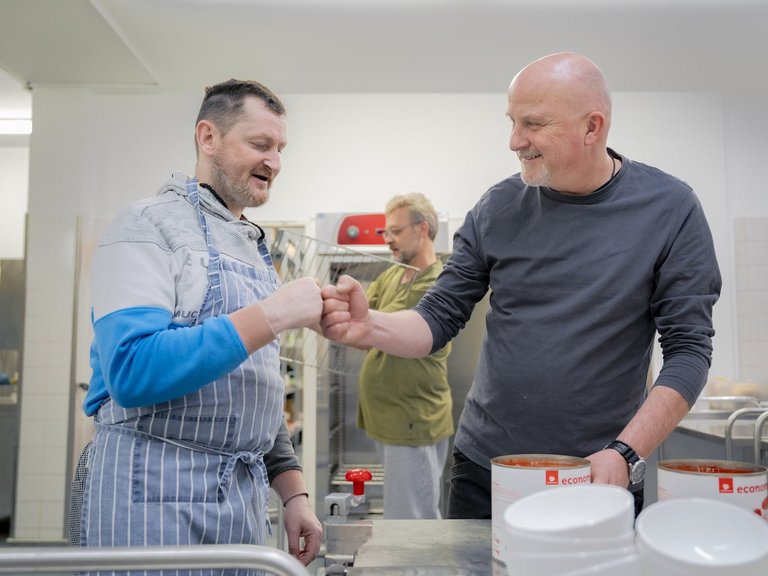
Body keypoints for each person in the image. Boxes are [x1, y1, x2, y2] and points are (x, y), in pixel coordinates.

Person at [321, 52, 722, 519]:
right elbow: (437, 317)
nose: (514, 141)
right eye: (512, 121)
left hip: (598, 470)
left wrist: (626, 453)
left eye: (532, 124)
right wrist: (368, 326)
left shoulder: (670, 210)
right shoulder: (498, 207)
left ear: (592, 128)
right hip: (486, 470)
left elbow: (689, 351)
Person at [73, 79, 323, 571]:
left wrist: (293, 492)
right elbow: (132, 370)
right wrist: (272, 314)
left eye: (280, 148)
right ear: (207, 138)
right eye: (259, 144)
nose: (275, 161)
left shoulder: (251, 248)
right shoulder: (146, 226)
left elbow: (254, 387)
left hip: (240, 505)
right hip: (150, 498)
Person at [359, 192, 453, 519]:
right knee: (405, 514)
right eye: (387, 232)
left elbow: (375, 329)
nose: (389, 240)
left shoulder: (439, 284)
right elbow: (362, 333)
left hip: (411, 419)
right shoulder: (392, 275)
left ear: (422, 228)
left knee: (411, 523)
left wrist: (354, 321)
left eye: (395, 232)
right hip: (385, 418)